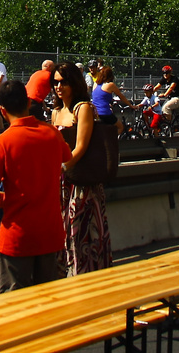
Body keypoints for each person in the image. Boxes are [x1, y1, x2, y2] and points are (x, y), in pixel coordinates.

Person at [0, 79, 71, 293]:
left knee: (14, 309)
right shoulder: (52, 133)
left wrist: (3, 200)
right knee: (50, 301)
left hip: (17, 238)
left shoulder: (2, 142)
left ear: (2, 111)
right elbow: (67, 158)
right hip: (50, 234)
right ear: (28, 102)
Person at [51, 61, 112, 275]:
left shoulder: (83, 108)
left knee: (82, 233)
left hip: (81, 183)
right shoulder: (56, 112)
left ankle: (88, 277)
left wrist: (62, 168)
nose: (59, 87)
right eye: (56, 82)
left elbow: (81, 147)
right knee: (64, 232)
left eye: (64, 82)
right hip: (62, 183)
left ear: (74, 83)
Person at [91, 65, 136, 135]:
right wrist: (130, 105)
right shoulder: (110, 85)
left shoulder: (95, 84)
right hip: (104, 113)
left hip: (94, 113)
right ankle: (110, 141)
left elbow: (100, 97)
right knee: (120, 127)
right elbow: (121, 97)